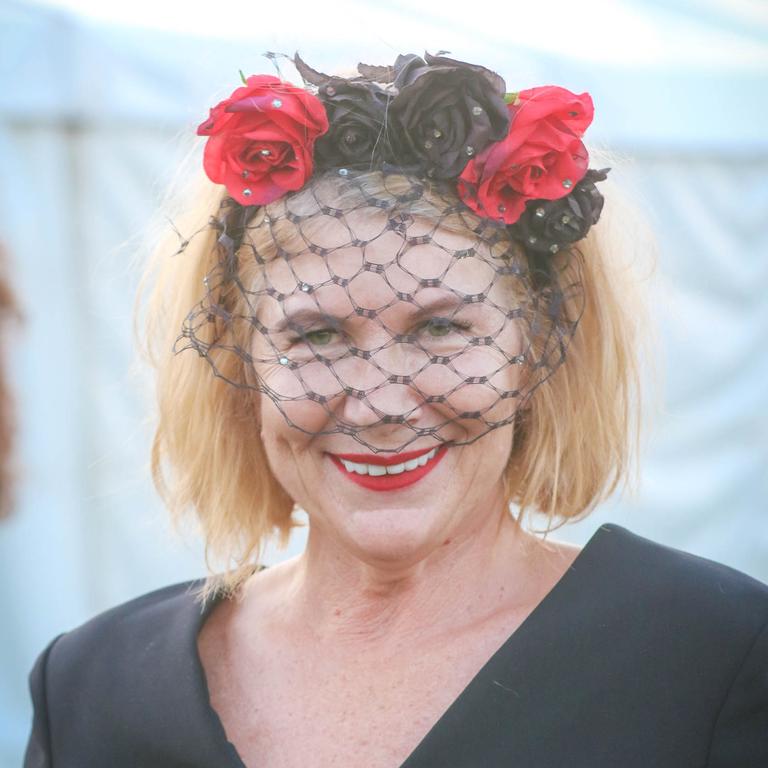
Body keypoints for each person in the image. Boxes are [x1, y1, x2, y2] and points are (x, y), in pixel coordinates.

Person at [24, 53, 767, 767]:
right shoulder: (94, 687)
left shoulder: (713, 657)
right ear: (238, 360)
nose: (379, 401)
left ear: (538, 344)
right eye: (316, 335)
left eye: (440, 329)